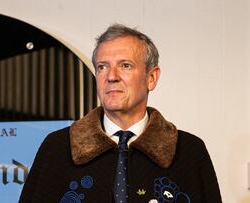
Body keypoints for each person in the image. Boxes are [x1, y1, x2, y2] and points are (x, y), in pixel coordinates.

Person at [19, 24, 222, 203]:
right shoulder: (57, 149)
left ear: (151, 77)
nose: (111, 77)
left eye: (125, 65)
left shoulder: (189, 153)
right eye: (102, 67)